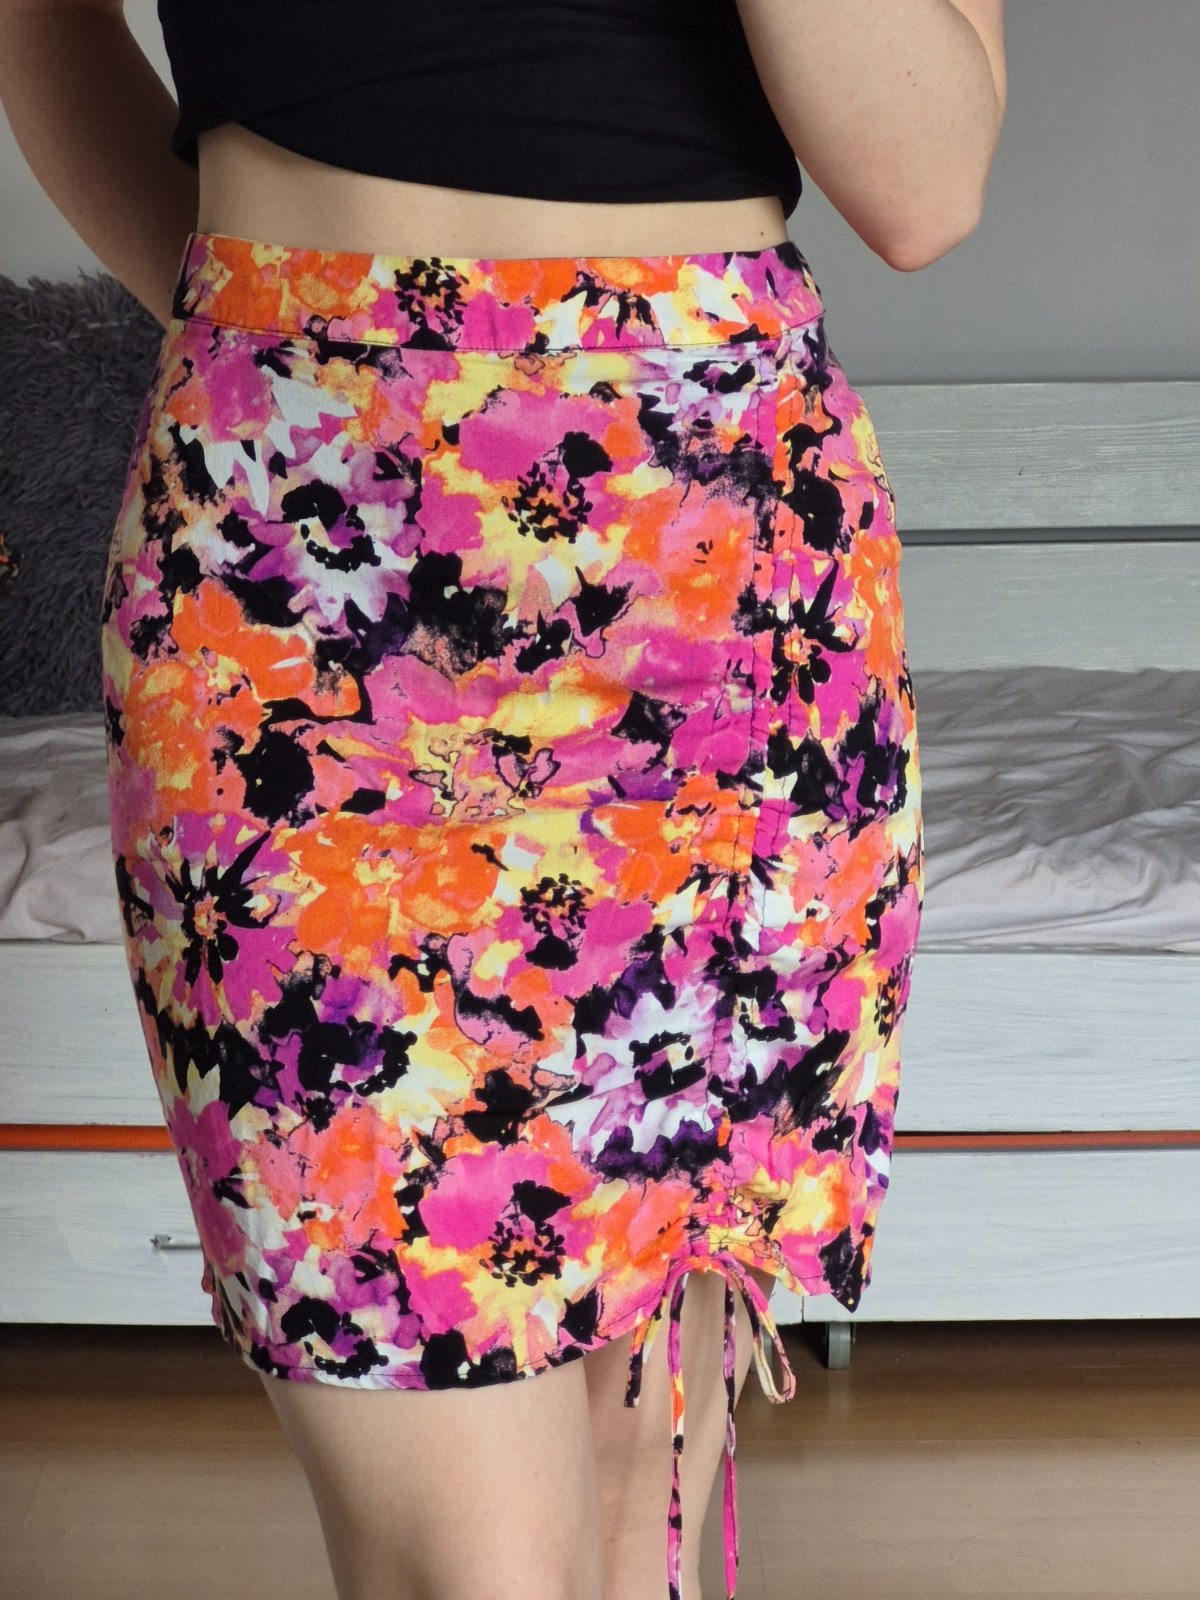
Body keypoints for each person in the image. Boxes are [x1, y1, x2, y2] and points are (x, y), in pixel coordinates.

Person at [0, 3, 1006, 1598]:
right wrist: (297, 341)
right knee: (469, 1563)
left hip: (712, 589)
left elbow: (925, 182)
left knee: (626, 1520)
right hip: (294, 562)